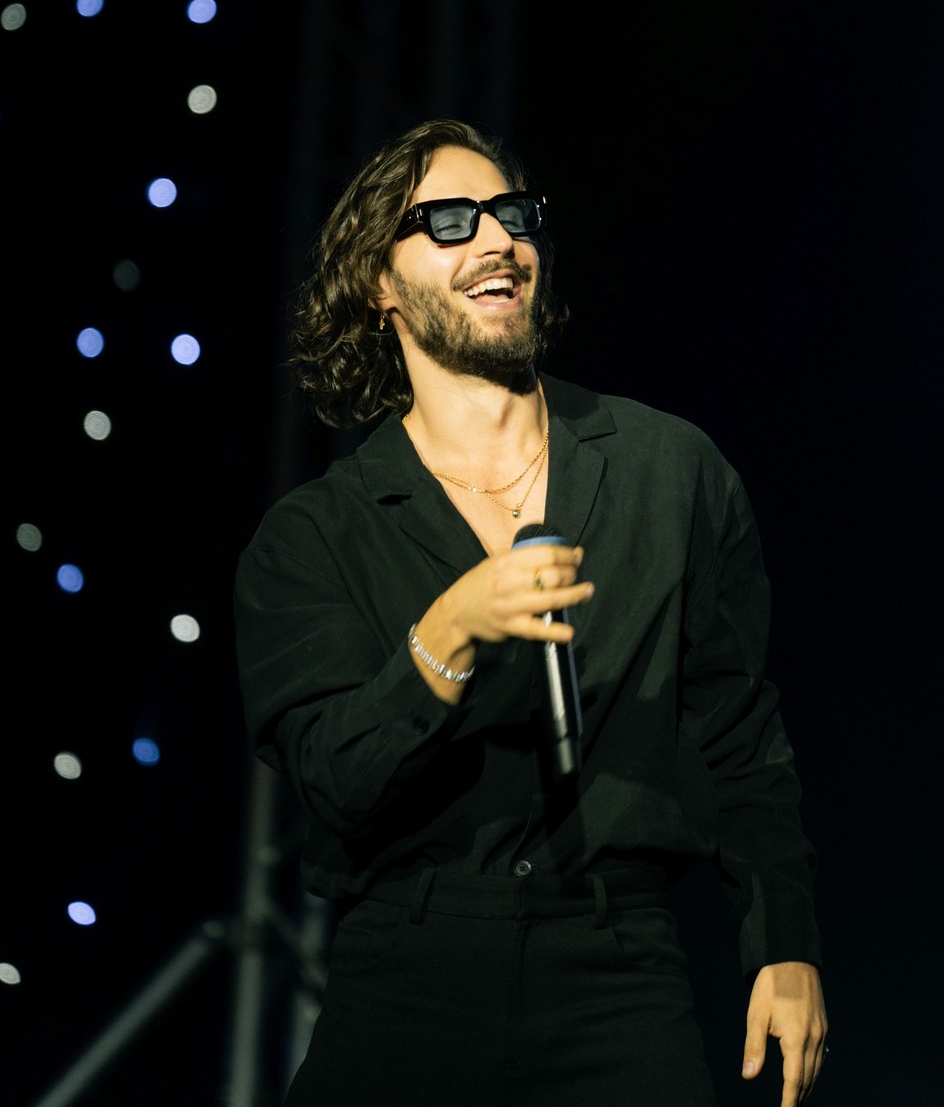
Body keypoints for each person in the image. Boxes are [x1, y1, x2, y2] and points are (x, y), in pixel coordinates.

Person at [233, 118, 828, 1107]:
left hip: (618, 970)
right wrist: (449, 631)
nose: (496, 240)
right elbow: (333, 778)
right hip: (409, 975)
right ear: (377, 282)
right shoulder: (315, 536)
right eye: (449, 221)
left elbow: (737, 734)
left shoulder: (669, 469)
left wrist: (784, 943)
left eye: (512, 215)